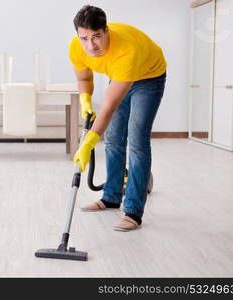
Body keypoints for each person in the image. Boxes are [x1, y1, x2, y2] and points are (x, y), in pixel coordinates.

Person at [70, 5, 167, 231]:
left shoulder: (126, 50)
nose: (90, 45)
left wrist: (88, 143)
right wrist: (85, 99)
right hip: (121, 75)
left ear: (106, 31)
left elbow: (110, 106)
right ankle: (111, 197)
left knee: (137, 140)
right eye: (84, 38)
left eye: (96, 37)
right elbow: (84, 79)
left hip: (149, 77)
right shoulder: (77, 47)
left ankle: (133, 211)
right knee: (113, 137)